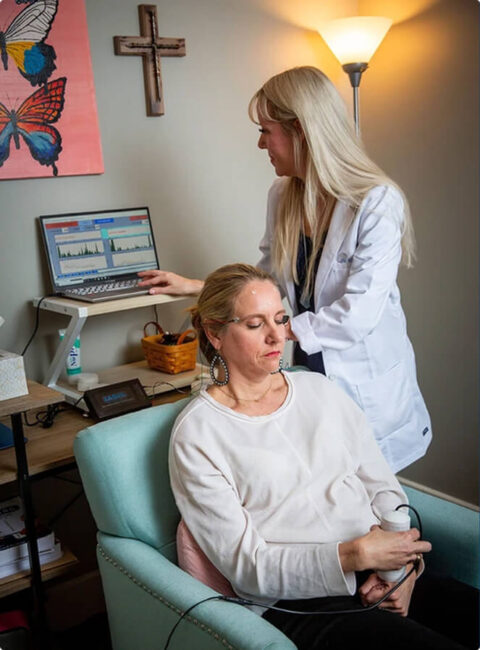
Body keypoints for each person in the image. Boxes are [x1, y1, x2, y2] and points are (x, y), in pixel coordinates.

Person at [168, 263, 478, 650]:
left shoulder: (319, 390)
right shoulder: (198, 434)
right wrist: (352, 556)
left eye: (280, 319)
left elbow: (384, 488)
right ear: (215, 333)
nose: (276, 336)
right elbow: (248, 568)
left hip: (380, 572)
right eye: (255, 324)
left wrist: (402, 571)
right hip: (302, 604)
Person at [140, 65, 431, 473]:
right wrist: (195, 287)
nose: (261, 143)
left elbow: (359, 314)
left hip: (367, 380)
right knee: (324, 476)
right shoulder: (283, 196)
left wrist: (265, 331)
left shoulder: (376, 202)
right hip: (311, 369)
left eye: (266, 130)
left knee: (371, 485)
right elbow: (270, 283)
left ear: (301, 131)